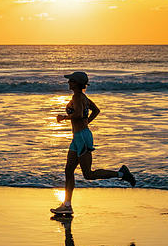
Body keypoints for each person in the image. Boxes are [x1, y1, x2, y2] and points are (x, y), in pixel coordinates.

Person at [51, 71, 135, 215]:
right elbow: (96, 110)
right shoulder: (83, 97)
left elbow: (77, 114)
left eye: (71, 80)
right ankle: (67, 205)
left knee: (88, 174)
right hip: (78, 137)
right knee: (68, 170)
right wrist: (86, 123)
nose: (68, 82)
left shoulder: (78, 96)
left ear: (76, 83)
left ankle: (122, 174)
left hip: (82, 138)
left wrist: (64, 117)